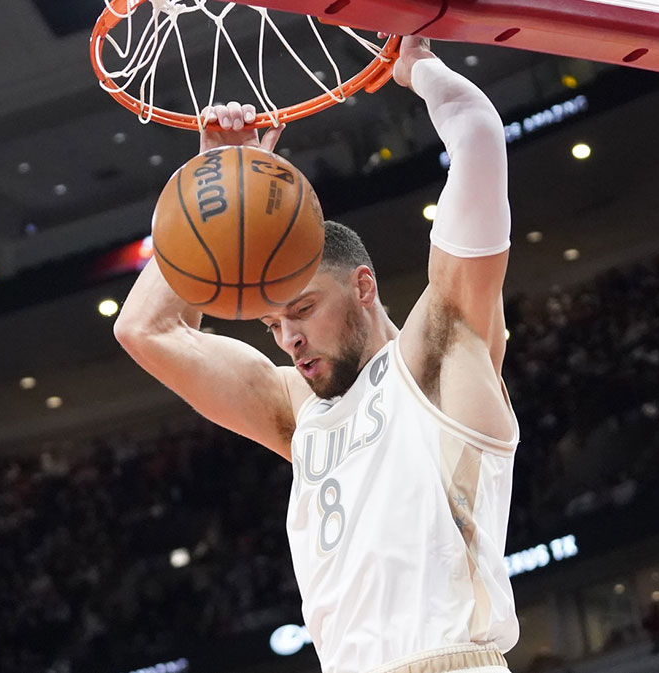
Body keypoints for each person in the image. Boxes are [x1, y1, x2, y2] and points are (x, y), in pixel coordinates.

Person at [114, 36, 519, 673]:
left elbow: (476, 135)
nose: (288, 338)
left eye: (302, 310)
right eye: (272, 324)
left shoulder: (440, 353)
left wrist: (422, 69)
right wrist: (217, 191)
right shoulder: (296, 407)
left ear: (363, 286)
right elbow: (145, 330)